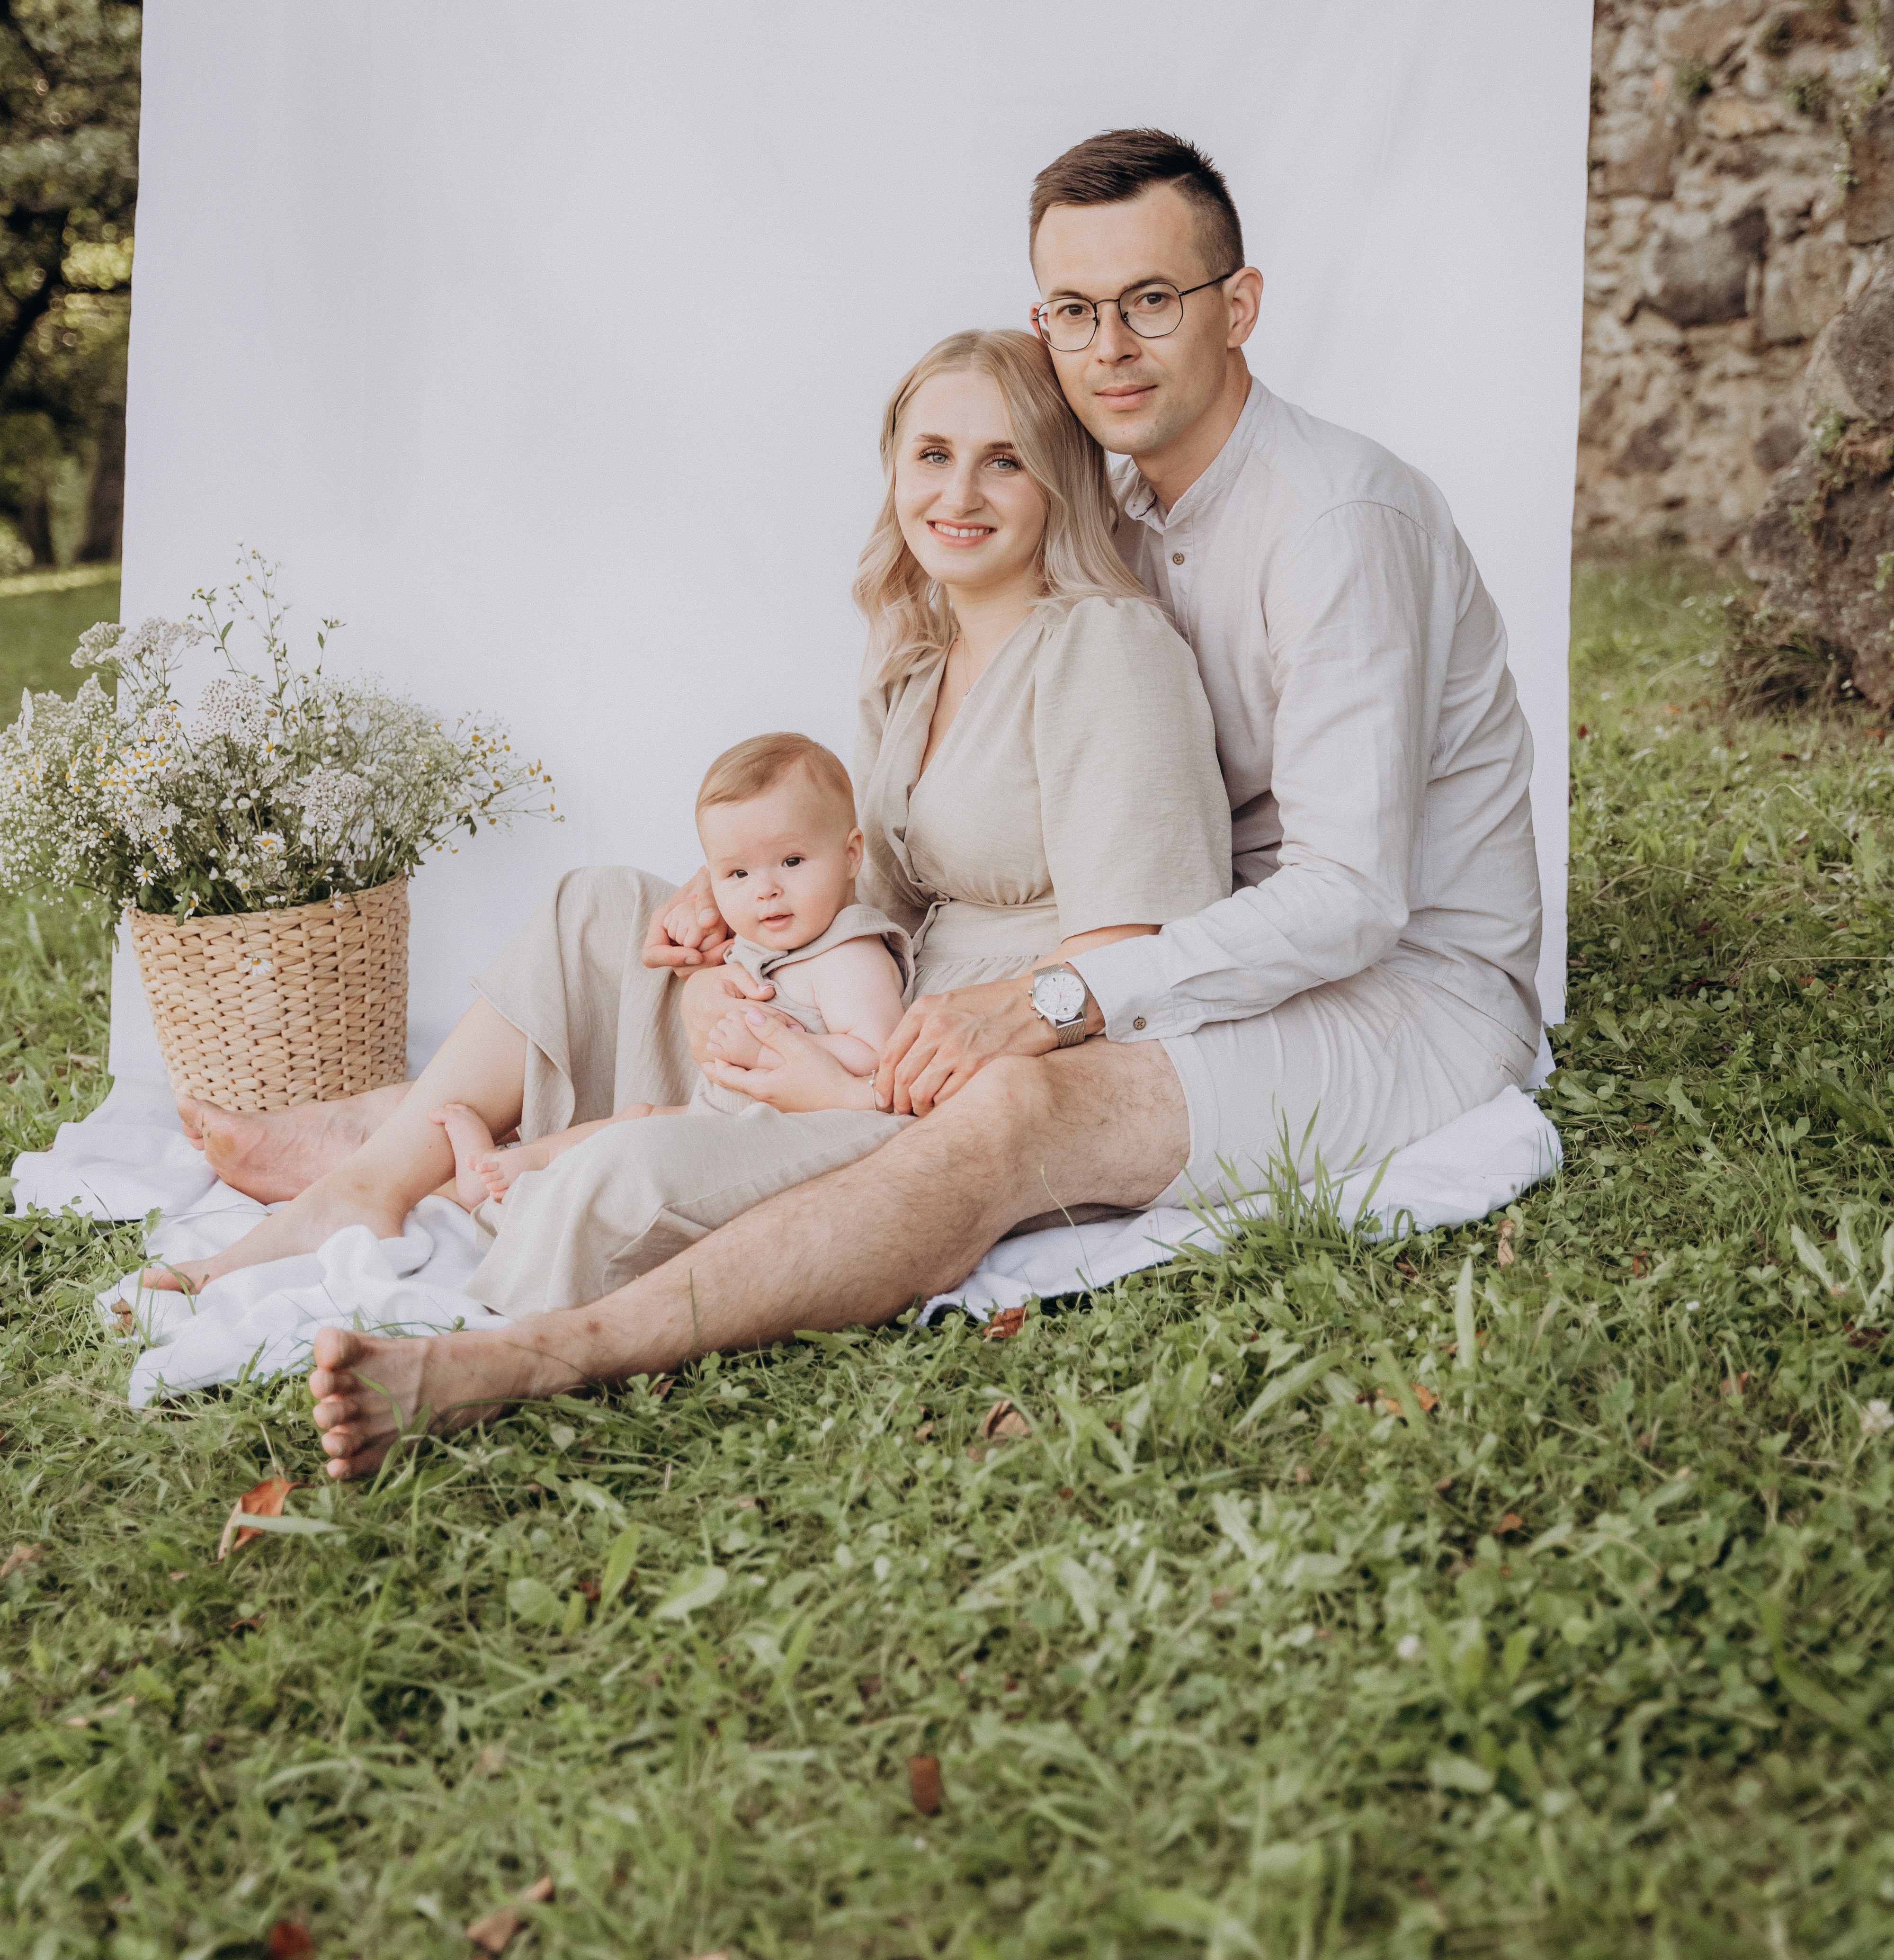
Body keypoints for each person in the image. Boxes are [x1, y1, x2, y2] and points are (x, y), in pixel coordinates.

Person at [287, 124, 1541, 1478]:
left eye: (1152, 302)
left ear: (1239, 306)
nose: (1110, 347)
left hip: (1403, 991)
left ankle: (538, 1355)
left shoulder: (1336, 524)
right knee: (645, 925)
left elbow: (1355, 901)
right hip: (1215, 948)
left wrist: (1054, 1000)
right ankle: (389, 1139)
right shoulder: (1107, 501)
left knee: (1010, 1113)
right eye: (1075, 310)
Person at [148, 322, 1230, 1336]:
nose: (957, 491)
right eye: (932, 453)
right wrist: (733, 926)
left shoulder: (1105, 651)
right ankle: (363, 1191)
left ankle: (479, 1271)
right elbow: (877, 894)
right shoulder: (911, 656)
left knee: (615, 1183)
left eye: (1003, 460)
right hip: (855, 1004)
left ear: (1060, 476)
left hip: (946, 1083)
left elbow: (1136, 960)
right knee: (601, 909)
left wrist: (845, 1082)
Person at [431, 730, 912, 1211]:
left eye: (791, 861)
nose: (764, 890)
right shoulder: (781, 936)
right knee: (634, 1118)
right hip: (722, 1115)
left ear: (851, 855)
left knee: (630, 1148)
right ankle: (510, 1168)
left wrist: (768, 1048)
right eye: (737, 874)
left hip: (774, 1141)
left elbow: (877, 1057)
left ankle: (521, 1181)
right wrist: (692, 923)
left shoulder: (848, 955)